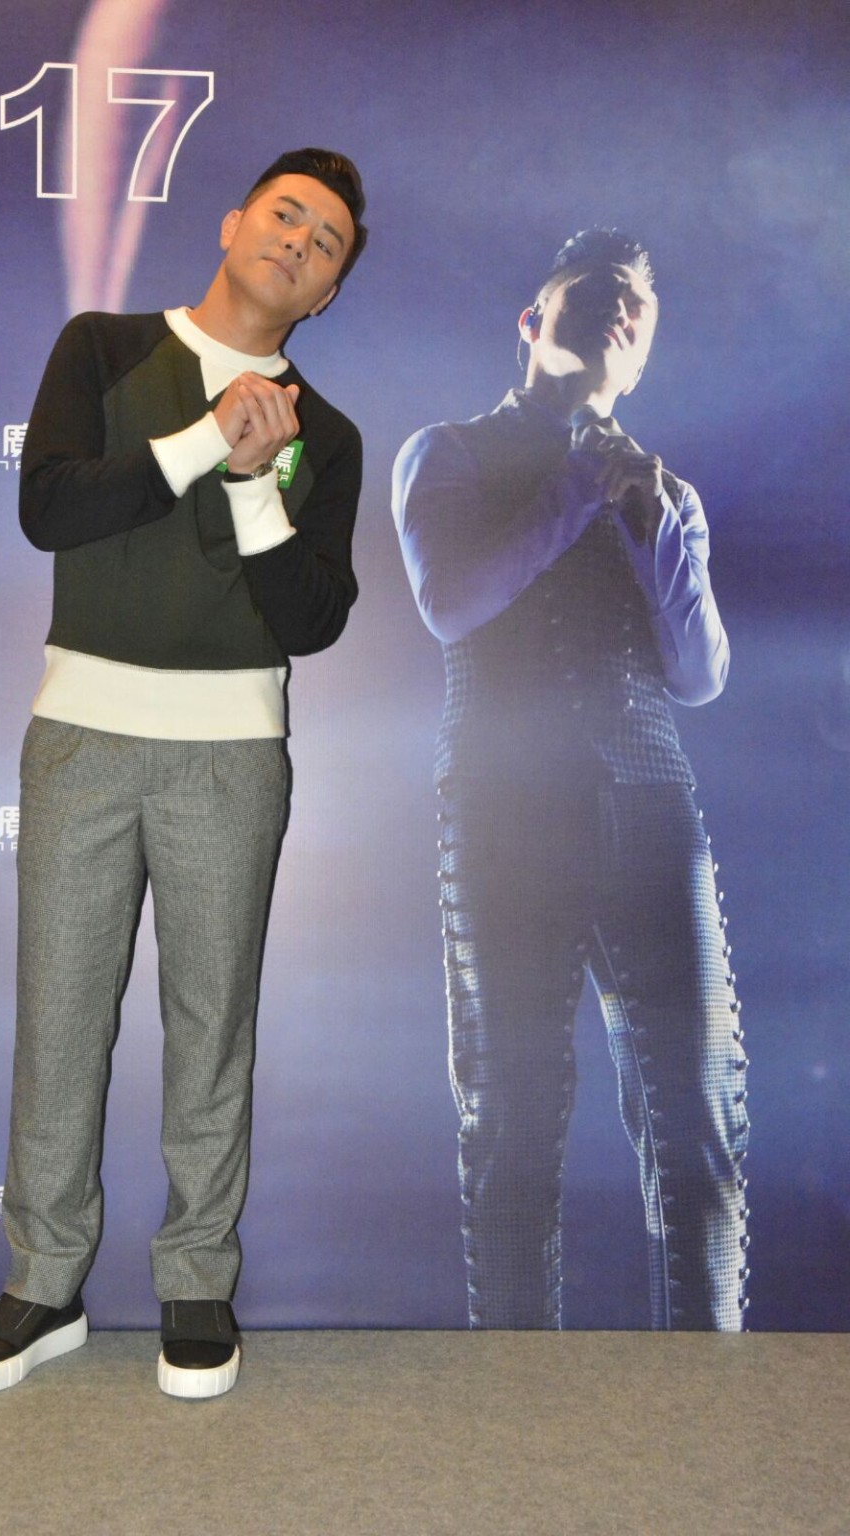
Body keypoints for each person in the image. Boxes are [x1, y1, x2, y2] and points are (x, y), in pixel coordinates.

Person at [0, 147, 367, 1397]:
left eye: (326, 243)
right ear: (233, 223)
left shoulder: (326, 435)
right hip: (82, 735)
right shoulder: (104, 348)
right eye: (285, 214)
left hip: (231, 755)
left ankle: (194, 1281)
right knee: (59, 1016)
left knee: (210, 1025)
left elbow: (310, 620)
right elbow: (51, 509)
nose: (298, 242)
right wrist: (202, 443)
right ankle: (44, 1282)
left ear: (328, 292)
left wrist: (254, 481)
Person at [392, 230, 748, 1331]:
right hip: (501, 811)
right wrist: (575, 491)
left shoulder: (666, 491)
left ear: (643, 355)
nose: (619, 309)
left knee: (698, 1119)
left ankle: (708, 1391)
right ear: (532, 320)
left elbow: (700, 675)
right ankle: (516, 1402)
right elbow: (450, 603)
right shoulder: (446, 452)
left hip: (650, 805)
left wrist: (651, 528)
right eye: (595, 292)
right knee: (511, 1124)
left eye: (637, 304)